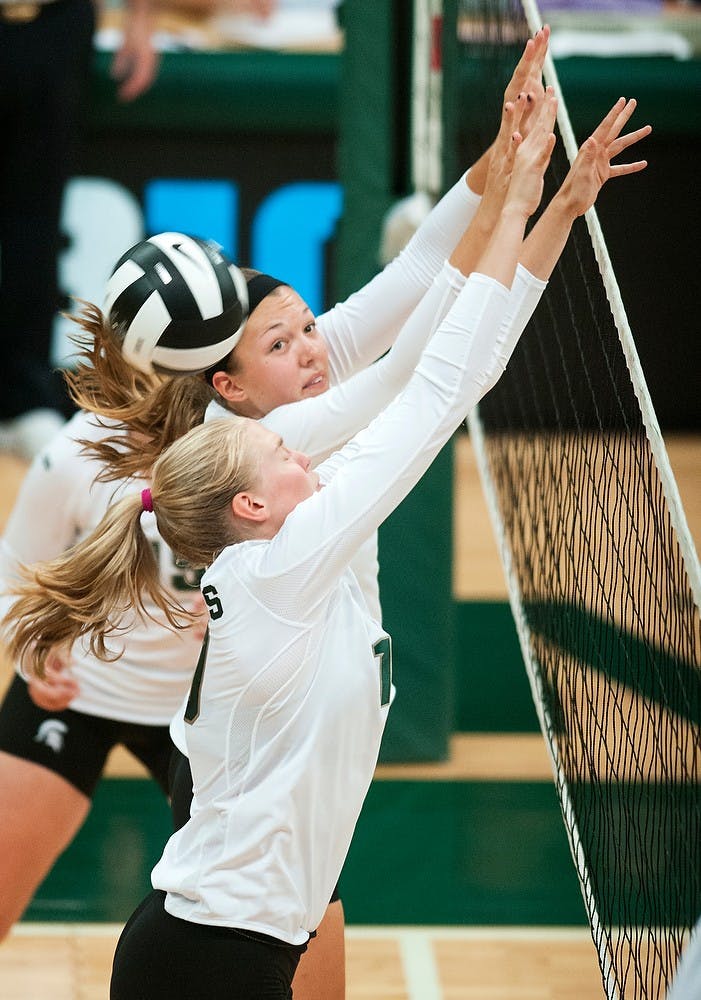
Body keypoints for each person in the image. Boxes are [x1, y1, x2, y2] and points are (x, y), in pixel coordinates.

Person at [2, 87, 651, 998]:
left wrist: (534, 201)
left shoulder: (265, 477)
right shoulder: (289, 540)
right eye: (283, 344)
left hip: (240, 853)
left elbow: (437, 343)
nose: (311, 372)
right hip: (209, 916)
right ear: (227, 391)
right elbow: (428, 382)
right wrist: (512, 211)